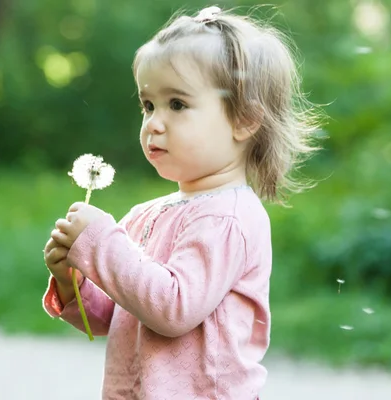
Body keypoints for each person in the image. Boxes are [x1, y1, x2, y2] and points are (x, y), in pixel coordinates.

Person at [43, 5, 321, 399]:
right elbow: (121, 314)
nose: (154, 122)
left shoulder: (230, 218)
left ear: (244, 120)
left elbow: (173, 309)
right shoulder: (146, 215)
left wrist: (103, 243)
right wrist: (74, 281)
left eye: (177, 104)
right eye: (148, 105)